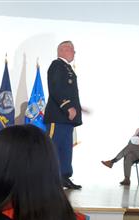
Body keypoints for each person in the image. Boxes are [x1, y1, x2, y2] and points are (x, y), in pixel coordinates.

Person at [44, 40, 83, 190]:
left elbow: (68, 91)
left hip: (66, 119)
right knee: (53, 148)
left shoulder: (66, 67)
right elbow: (55, 88)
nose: (74, 52)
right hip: (57, 116)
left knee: (66, 149)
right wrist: (67, 106)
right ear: (62, 50)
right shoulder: (57, 65)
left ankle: (64, 177)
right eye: (71, 49)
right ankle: (49, 179)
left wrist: (78, 108)